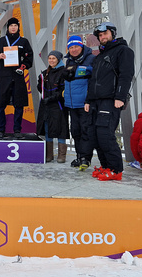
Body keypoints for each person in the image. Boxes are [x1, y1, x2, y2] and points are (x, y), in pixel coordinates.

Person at [84, 22, 134, 181]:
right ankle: (106, 166)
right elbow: (93, 80)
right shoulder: (99, 56)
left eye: (105, 34)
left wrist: (120, 97)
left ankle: (115, 169)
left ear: (112, 33)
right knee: (96, 135)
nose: (102, 37)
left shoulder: (123, 51)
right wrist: (88, 100)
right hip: (95, 101)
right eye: (100, 35)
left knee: (105, 134)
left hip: (111, 100)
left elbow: (126, 75)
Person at [0, 17, 33, 139]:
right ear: (7, 28)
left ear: (18, 27)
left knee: (19, 104)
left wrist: (22, 67)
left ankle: (17, 130)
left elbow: (30, 59)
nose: (13, 27)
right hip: (3, 77)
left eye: (15, 25)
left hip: (17, 77)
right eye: (11, 25)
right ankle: (1, 130)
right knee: (0, 104)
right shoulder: (1, 41)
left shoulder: (24, 42)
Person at [63, 35, 95, 170]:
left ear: (81, 46)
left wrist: (86, 70)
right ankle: (79, 156)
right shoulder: (69, 61)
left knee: (85, 130)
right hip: (72, 103)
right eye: (71, 47)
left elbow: (95, 76)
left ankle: (85, 158)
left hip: (85, 103)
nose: (74, 50)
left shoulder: (91, 59)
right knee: (75, 131)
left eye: (76, 46)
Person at [36, 50, 69, 163]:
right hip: (46, 106)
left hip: (58, 105)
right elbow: (41, 89)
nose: (51, 60)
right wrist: (39, 84)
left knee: (60, 128)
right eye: (49, 58)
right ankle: (49, 155)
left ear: (59, 59)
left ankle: (61, 155)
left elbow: (63, 91)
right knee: (47, 128)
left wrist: (52, 98)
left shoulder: (63, 72)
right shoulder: (45, 73)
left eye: (53, 58)